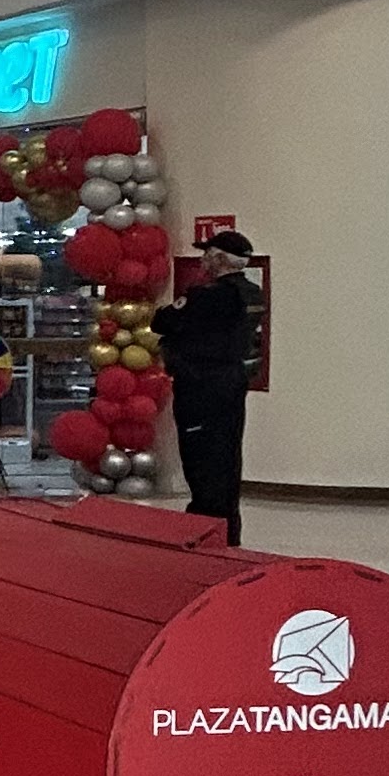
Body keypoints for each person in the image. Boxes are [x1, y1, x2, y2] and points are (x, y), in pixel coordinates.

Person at [160, 229, 262, 545]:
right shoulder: (253, 293)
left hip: (201, 389)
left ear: (219, 258)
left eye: (207, 254)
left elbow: (160, 322)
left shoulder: (207, 296)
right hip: (232, 386)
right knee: (227, 461)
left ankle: (204, 536)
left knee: (202, 465)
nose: (203, 259)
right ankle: (229, 535)